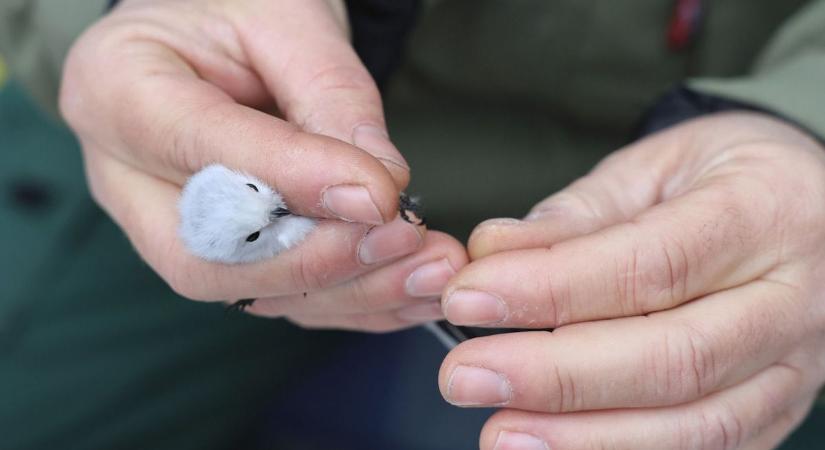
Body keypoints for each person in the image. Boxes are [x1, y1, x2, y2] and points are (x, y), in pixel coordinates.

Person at [2, 0, 825, 448]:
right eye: (266, 218)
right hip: (199, 93)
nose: (289, 207)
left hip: (750, 157)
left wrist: (806, 123)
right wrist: (111, 17)